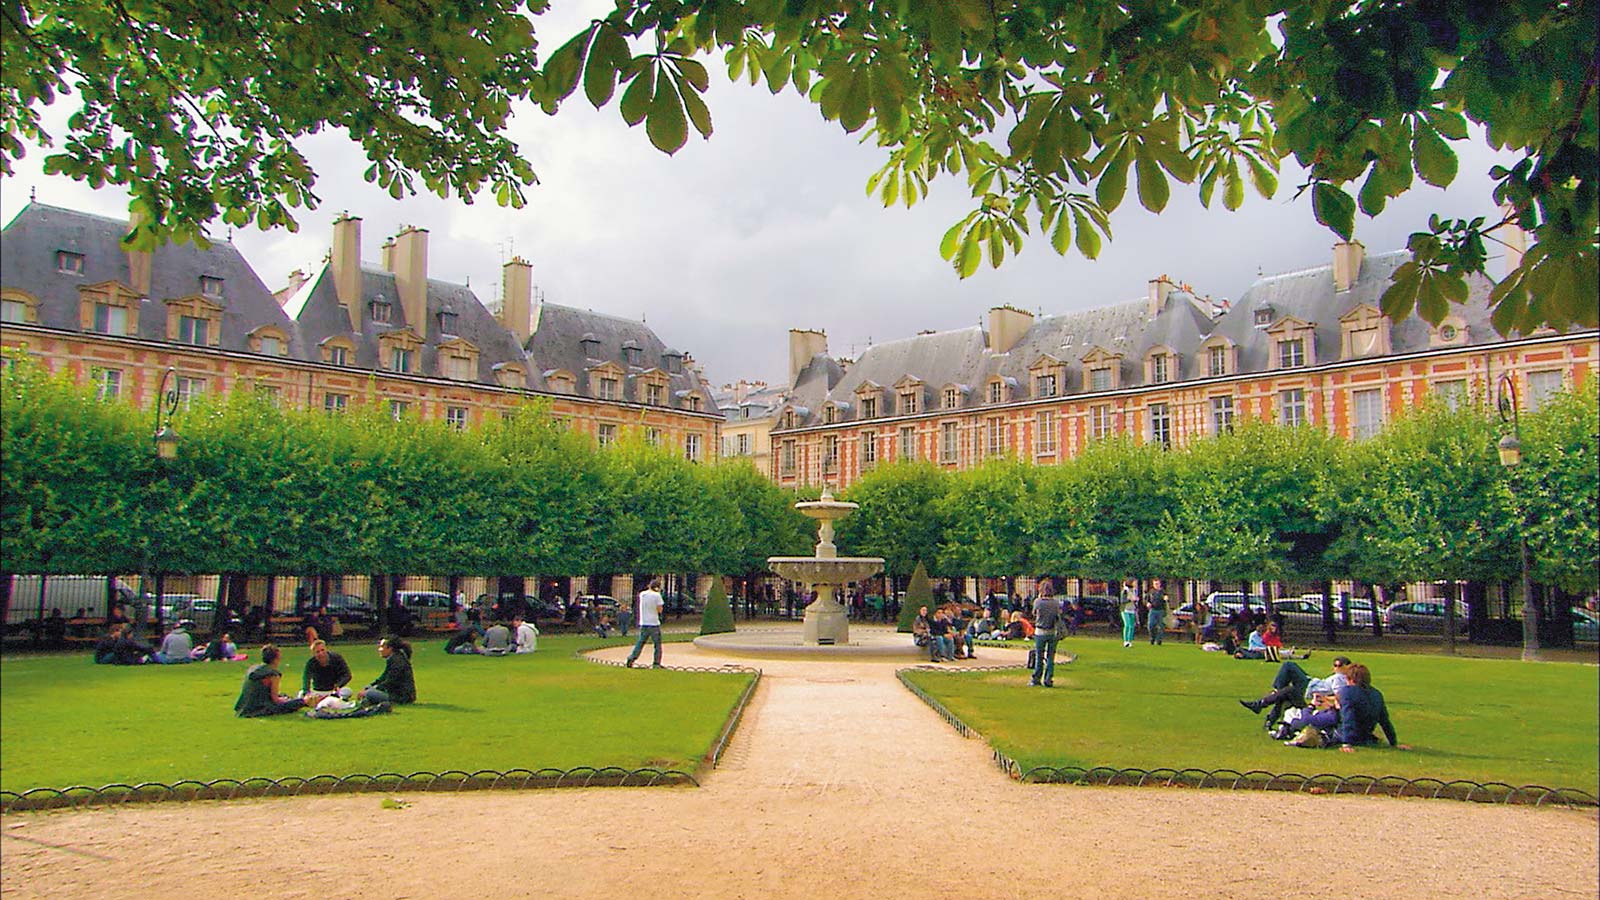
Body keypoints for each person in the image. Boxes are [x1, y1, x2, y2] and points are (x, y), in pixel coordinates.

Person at [1287, 663, 1409, 752]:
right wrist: (1393, 743)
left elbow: (1348, 717)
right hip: (1365, 735)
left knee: (1299, 719)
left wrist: (1346, 743)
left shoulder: (1347, 692)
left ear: (1349, 679)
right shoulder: (1376, 694)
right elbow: (1384, 721)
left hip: (1344, 734)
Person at [1240, 656, 1351, 730]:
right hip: (1310, 685)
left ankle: (1268, 700)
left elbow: (1339, 696)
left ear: (1347, 666)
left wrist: (1324, 698)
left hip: (1308, 688)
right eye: (1335, 665)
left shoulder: (1340, 678)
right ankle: (1268, 716)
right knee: (1286, 692)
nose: (1336, 668)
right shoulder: (1342, 678)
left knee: (1289, 667)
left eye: (1339, 665)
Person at [234, 645, 306, 717]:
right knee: (298, 702)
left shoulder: (253, 669)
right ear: (275, 659)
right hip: (259, 708)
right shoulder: (273, 674)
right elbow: (275, 700)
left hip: (244, 707)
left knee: (284, 696)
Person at [1030, 578, 1070, 687]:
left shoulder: (1038, 602)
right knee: (1050, 657)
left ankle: (1036, 678)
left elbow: (1034, 613)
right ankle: (1048, 679)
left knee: (1039, 656)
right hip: (1052, 632)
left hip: (1040, 631)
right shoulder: (1056, 603)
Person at [359, 637, 415, 705]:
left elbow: (390, 682)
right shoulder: (394, 659)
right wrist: (370, 685)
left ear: (390, 648)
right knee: (368, 690)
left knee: (369, 693)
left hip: (401, 697)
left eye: (382, 647)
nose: (379, 649)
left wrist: (373, 688)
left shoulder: (398, 662)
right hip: (397, 694)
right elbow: (383, 677)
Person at [625, 578, 665, 668]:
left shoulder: (642, 594)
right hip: (654, 623)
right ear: (657, 587)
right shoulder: (657, 595)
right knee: (657, 645)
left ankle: (632, 658)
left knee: (640, 642)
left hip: (644, 622)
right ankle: (656, 663)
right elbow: (660, 610)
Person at [1146, 580, 1168, 645]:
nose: (1156, 585)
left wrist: (1166, 598)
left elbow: (1166, 599)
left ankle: (1159, 640)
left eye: (1157, 584)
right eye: (1155, 584)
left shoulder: (1163, 592)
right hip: (1152, 610)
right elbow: (1147, 600)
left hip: (1160, 610)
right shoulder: (1151, 592)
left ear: (1160, 584)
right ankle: (1152, 638)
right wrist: (1148, 603)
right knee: (1151, 625)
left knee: (1160, 626)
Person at [1119, 580, 1140, 647]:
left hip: (1132, 609)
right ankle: (1125, 641)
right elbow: (1122, 601)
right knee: (1127, 625)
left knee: (1132, 626)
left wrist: (1136, 600)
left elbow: (1135, 600)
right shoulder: (1125, 591)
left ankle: (1130, 641)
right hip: (1125, 609)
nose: (1136, 584)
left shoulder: (1134, 591)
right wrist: (1131, 600)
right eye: (1134, 583)